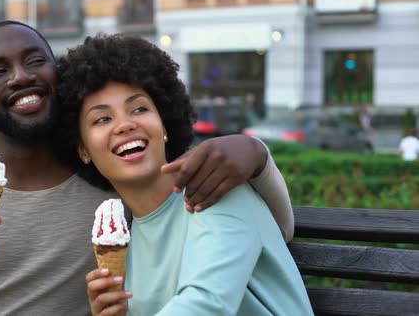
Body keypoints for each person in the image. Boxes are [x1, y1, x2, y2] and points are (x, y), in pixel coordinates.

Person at [0, 21, 294, 315]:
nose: (20, 77)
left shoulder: (118, 191)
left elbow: (258, 237)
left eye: (35, 60)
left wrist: (255, 155)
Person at [57, 34, 313, 315]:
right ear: (83, 150)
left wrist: (257, 151)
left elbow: (208, 304)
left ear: (164, 125)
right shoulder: (122, 248)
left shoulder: (215, 189)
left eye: (139, 108)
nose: (125, 125)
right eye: (102, 119)